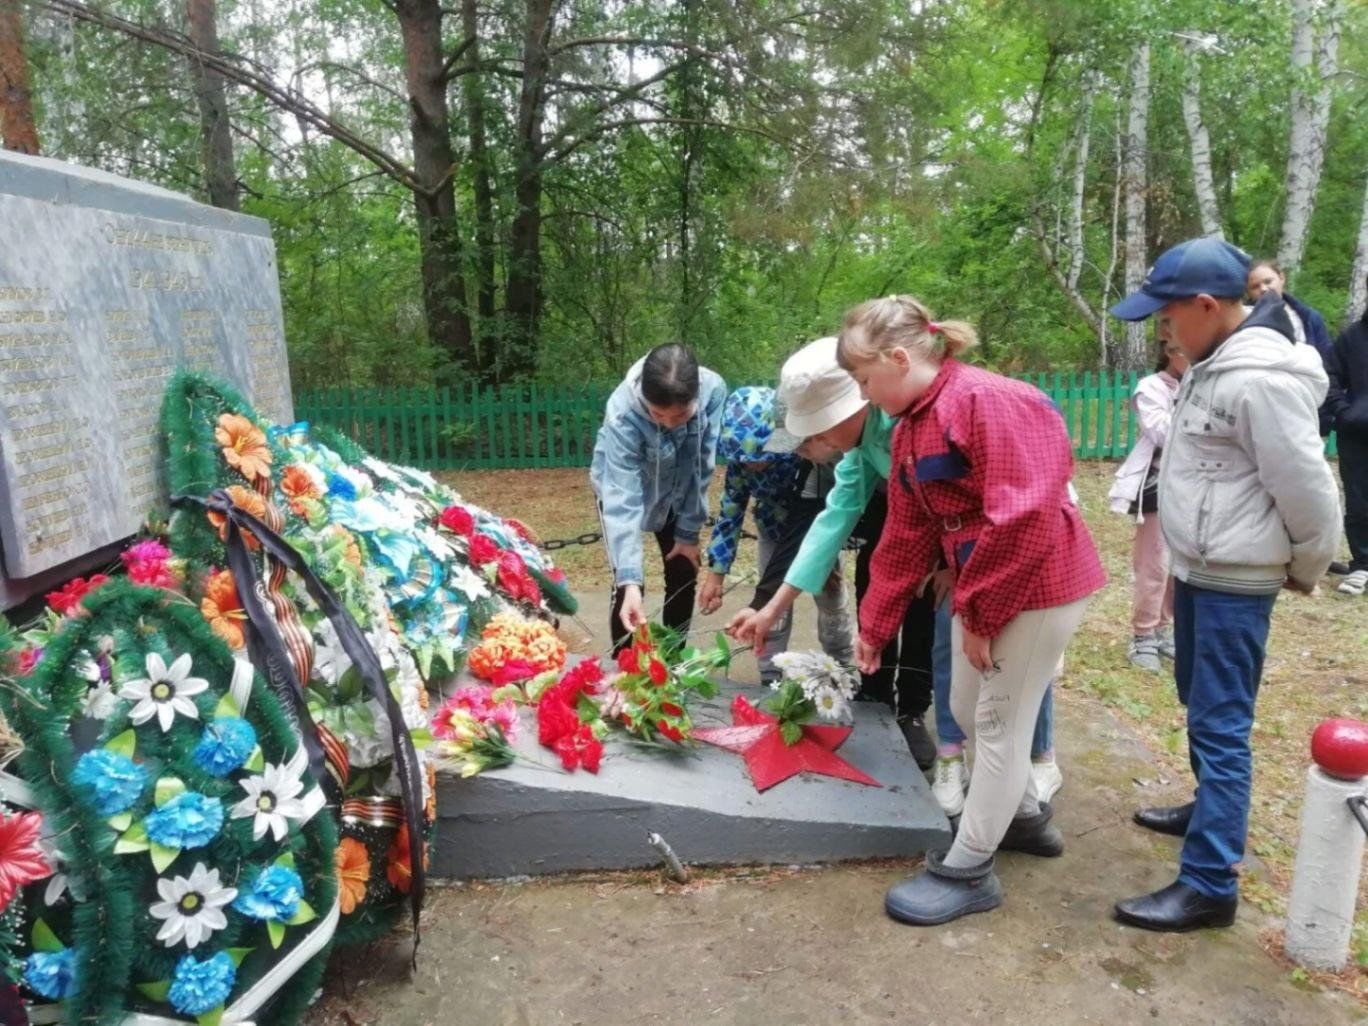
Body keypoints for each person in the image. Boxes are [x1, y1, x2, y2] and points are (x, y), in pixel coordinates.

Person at [842, 295, 1105, 926]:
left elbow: (1025, 516)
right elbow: (904, 539)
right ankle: (1022, 820)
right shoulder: (910, 428)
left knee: (995, 724)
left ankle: (969, 871)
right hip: (984, 582)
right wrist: (874, 629)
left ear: (899, 358)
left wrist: (983, 616)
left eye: (864, 380)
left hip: (1038, 582)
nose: (863, 396)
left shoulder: (990, 402)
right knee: (962, 706)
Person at [1110, 238, 1340, 932]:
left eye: (1169, 314)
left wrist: (1302, 569)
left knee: (1221, 724)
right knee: (1196, 700)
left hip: (1236, 580)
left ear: (1208, 306)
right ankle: (1208, 809)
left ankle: (1210, 882)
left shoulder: (1258, 379)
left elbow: (1310, 493)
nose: (1164, 328)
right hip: (1199, 568)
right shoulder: (1211, 366)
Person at [724, 338, 938, 770]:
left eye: (817, 433)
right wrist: (771, 609)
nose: (813, 444)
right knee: (873, 593)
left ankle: (912, 709)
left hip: (948, 537)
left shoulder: (911, 427)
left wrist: (940, 563)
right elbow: (829, 525)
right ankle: (876, 694)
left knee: (921, 609)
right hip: (897, 520)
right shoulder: (857, 450)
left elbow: (946, 506)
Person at [698, 386, 854, 678]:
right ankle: (770, 672)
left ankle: (843, 667)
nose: (754, 465)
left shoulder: (803, 455)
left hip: (817, 535)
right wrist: (716, 573)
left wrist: (831, 553)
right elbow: (730, 513)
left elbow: (831, 504)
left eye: (760, 456)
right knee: (771, 602)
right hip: (772, 533)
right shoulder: (741, 467)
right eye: (746, 460)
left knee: (831, 600)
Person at [590, 343, 726, 651]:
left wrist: (689, 532)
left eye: (680, 415)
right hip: (620, 489)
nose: (667, 422)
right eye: (657, 414)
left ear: (696, 395)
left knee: (683, 567)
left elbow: (701, 465)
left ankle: (673, 662)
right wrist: (629, 580)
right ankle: (626, 673)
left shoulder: (713, 391)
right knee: (627, 590)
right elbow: (622, 499)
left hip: (677, 489)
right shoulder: (623, 412)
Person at [1108, 336, 1190, 671]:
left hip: (1195, 490)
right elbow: (1162, 434)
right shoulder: (1151, 387)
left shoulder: (1206, 384)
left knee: (1182, 565)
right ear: (1170, 352)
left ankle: (1163, 628)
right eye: (1182, 349)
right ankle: (1143, 634)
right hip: (1159, 488)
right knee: (1154, 564)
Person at [1326, 280, 1368, 596]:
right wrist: (1344, 411)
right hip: (1357, 435)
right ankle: (1362, 565)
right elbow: (1329, 375)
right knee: (1358, 501)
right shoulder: (1352, 337)